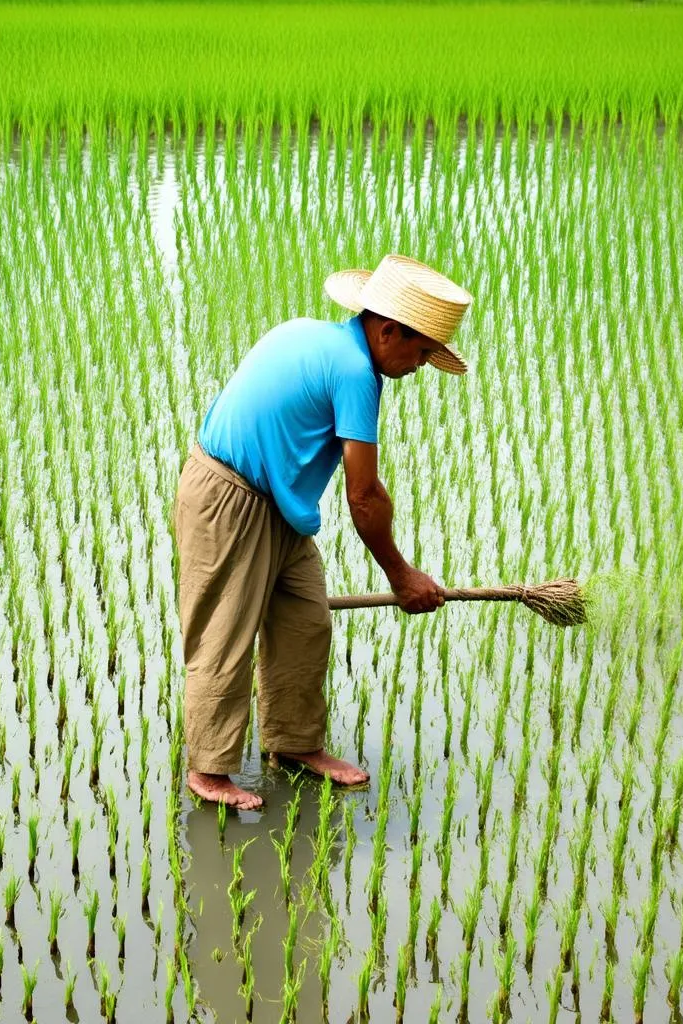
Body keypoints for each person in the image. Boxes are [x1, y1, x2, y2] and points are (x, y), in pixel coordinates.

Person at [174, 254, 473, 809]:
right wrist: (401, 575)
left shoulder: (316, 335)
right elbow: (364, 495)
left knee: (305, 622)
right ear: (388, 331)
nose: (420, 365)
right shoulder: (356, 372)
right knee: (223, 635)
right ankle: (209, 771)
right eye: (422, 351)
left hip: (277, 504)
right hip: (231, 497)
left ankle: (294, 744)